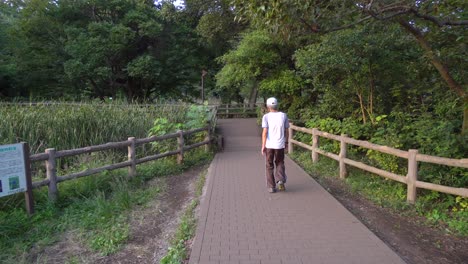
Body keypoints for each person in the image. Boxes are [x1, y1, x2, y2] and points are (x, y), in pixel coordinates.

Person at [261, 97, 289, 193]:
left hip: (269, 145)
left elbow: (265, 132)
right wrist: (286, 142)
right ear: (277, 105)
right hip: (280, 145)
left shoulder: (266, 117)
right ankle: (280, 180)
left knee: (269, 165)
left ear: (268, 106)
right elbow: (286, 130)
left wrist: (263, 145)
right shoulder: (283, 115)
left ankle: (271, 187)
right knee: (280, 162)